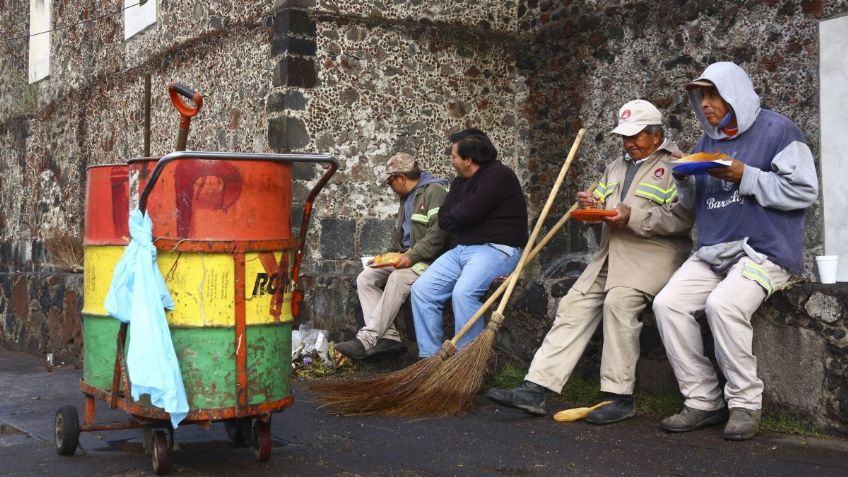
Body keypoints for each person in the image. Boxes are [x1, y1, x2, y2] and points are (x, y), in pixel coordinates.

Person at [486, 100, 694, 422]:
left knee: (619, 304)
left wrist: (633, 216)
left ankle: (619, 397)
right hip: (609, 254)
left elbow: (683, 218)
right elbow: (600, 203)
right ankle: (535, 388)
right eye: (624, 137)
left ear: (656, 135)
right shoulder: (616, 165)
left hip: (652, 256)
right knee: (573, 305)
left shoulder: (677, 165)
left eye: (636, 136)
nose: (629, 143)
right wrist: (590, 202)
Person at [653, 62, 818, 440]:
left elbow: (804, 192)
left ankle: (745, 404)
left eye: (713, 94)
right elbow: (693, 203)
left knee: (722, 306)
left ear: (735, 92)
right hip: (714, 251)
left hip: (766, 251)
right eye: (700, 96)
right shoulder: (705, 144)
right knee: (668, 305)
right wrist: (683, 180)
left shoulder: (779, 131)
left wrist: (746, 174)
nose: (705, 104)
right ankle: (703, 400)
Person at [410, 129, 528, 357]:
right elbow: (445, 219)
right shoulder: (458, 183)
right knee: (422, 290)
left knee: (464, 293)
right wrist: (464, 214)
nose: (451, 161)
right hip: (462, 249)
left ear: (469, 159)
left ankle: (465, 362)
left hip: (497, 249)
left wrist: (464, 215)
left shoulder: (499, 175)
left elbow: (466, 214)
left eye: (454, 156)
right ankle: (430, 360)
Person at [335, 153, 450, 359]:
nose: (391, 187)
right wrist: (386, 256)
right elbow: (402, 239)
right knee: (366, 277)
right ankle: (389, 338)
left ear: (401, 178)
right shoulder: (407, 198)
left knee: (398, 278)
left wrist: (410, 256)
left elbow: (438, 236)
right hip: (408, 257)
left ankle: (368, 338)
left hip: (431, 261)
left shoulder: (434, 191)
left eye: (390, 182)